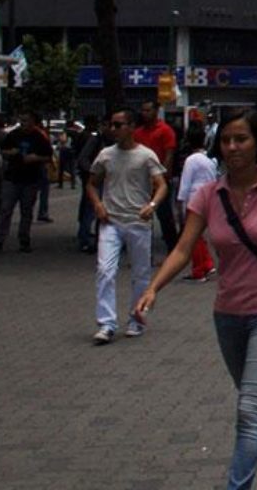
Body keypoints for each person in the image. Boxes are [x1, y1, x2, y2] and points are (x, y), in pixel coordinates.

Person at [135, 108, 257, 490]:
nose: (232, 147)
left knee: (250, 405)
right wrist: (153, 287)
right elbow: (183, 248)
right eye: (226, 140)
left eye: (241, 139)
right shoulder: (208, 194)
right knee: (252, 397)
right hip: (228, 313)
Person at [88, 108, 168, 343]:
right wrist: (97, 205)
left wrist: (152, 204)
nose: (113, 129)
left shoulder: (146, 155)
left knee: (141, 273)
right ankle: (106, 323)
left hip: (138, 222)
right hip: (110, 221)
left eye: (118, 125)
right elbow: (91, 183)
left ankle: (137, 318)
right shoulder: (105, 155)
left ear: (132, 127)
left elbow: (161, 184)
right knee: (105, 270)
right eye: (111, 125)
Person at [0, 111, 53, 254]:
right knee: (6, 209)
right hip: (12, 177)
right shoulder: (13, 135)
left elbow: (48, 156)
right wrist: (10, 153)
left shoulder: (39, 137)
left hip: (30, 178)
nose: (23, 123)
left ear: (33, 122)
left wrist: (36, 158)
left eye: (26, 120)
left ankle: (24, 239)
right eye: (22, 120)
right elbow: (3, 151)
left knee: (27, 211)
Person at [134, 99, 179, 250]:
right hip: (142, 182)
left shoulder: (165, 130)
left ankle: (172, 249)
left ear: (156, 111)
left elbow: (169, 155)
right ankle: (143, 250)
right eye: (143, 110)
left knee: (165, 217)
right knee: (143, 217)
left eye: (148, 110)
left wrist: (163, 178)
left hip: (160, 181)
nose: (145, 114)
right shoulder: (138, 133)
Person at [177, 124, 219, 282]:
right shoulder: (211, 160)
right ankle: (206, 264)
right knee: (199, 236)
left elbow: (185, 184)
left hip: (194, 200)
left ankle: (199, 270)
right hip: (208, 199)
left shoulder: (191, 160)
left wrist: (181, 203)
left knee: (192, 236)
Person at [76, 117, 111, 254]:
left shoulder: (114, 142)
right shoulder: (96, 140)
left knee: (100, 210)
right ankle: (85, 239)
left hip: (108, 181)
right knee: (90, 209)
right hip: (96, 180)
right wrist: (93, 172)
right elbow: (82, 158)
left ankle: (98, 239)